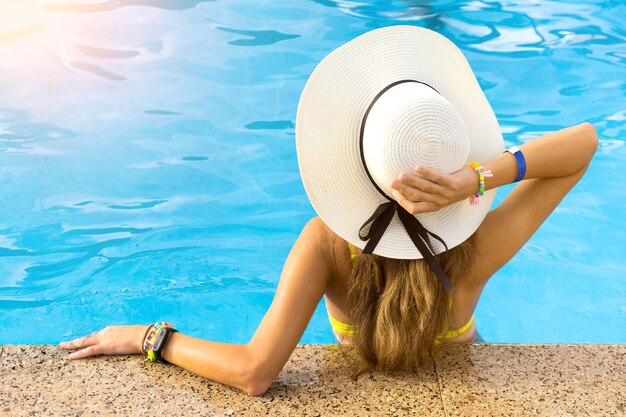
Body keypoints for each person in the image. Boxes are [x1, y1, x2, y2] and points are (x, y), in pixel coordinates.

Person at [59, 26, 598, 396]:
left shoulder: (325, 243)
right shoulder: (475, 247)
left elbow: (254, 373)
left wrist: (148, 338)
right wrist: (475, 179)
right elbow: (583, 144)